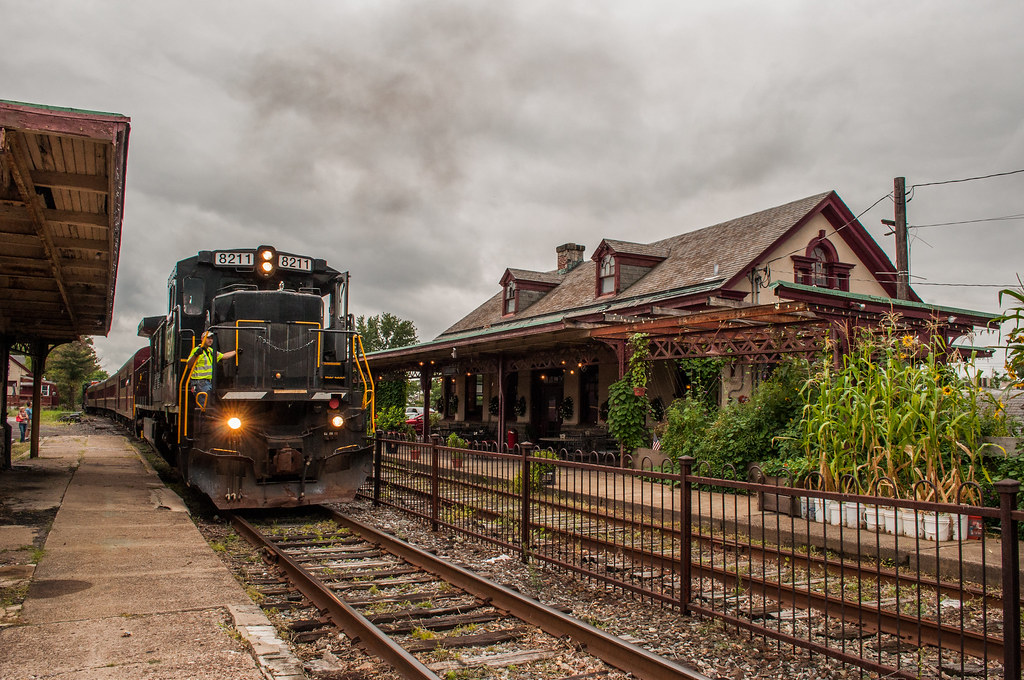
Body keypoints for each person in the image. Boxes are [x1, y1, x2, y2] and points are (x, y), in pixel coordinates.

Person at [184, 331, 237, 406]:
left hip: (207, 382)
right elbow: (189, 365)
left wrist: (236, 351)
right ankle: (203, 417)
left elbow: (223, 356)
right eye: (208, 338)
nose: (210, 340)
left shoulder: (210, 351)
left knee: (207, 404)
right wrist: (196, 355)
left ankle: (203, 416)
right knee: (205, 405)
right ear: (202, 339)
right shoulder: (197, 350)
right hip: (199, 382)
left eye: (212, 338)